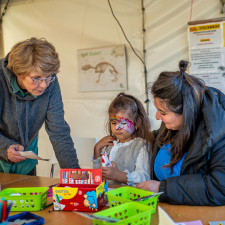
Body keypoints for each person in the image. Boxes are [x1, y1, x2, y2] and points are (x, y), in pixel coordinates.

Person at [136, 60, 225, 206]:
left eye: (163, 112)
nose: (157, 116)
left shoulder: (219, 133)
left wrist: (162, 188)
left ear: (187, 112)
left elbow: (219, 187)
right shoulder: (174, 124)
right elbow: (157, 137)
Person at [0, 37, 80, 175]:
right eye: (36, 78)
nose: (44, 85)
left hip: (26, 160)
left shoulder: (49, 81)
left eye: (49, 77)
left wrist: (73, 172)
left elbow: (58, 131)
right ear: (18, 72)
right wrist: (4, 146)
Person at [93, 92, 154, 186]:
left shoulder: (141, 146)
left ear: (136, 123)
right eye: (113, 123)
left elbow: (144, 178)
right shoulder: (110, 145)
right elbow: (97, 177)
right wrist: (97, 149)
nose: (117, 127)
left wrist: (117, 175)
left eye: (124, 123)